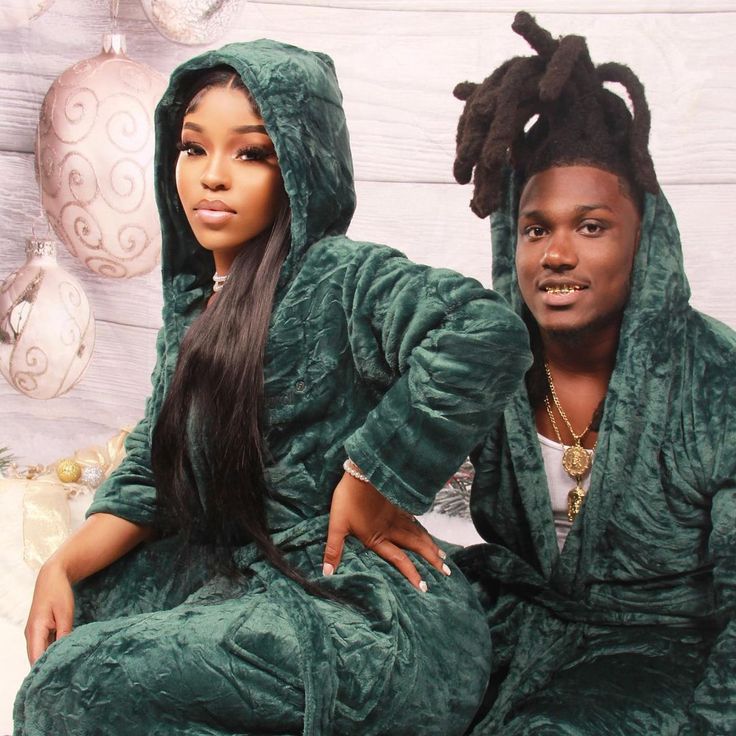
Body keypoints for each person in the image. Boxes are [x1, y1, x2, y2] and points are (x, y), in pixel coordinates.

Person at [14, 40, 530, 735]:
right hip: (241, 578)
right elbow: (152, 470)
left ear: (300, 169)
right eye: (194, 148)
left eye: (251, 153)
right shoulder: (198, 308)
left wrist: (373, 479)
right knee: (77, 640)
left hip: (357, 611)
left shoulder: (343, 277)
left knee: (71, 691)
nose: (212, 178)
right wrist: (61, 565)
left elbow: (483, 332)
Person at [452, 12, 735, 736]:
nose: (556, 253)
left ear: (645, 236)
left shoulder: (715, 381)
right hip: (506, 622)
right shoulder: (485, 360)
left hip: (653, 649)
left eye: (591, 226)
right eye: (537, 228)